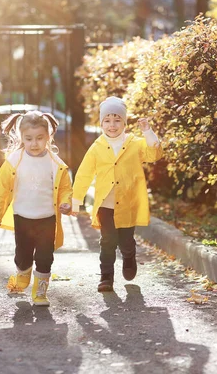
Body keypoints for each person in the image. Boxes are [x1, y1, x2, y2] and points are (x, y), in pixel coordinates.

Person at [0, 110, 73, 306]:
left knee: (45, 257)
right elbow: (0, 191)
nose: (34, 143)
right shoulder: (14, 161)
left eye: (39, 138)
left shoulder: (56, 164)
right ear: (21, 137)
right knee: (23, 255)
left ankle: (40, 293)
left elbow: (65, 188)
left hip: (47, 218)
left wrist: (67, 202)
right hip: (23, 217)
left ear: (48, 136)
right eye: (28, 139)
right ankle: (23, 272)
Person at [71, 96, 163, 292]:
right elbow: (84, 174)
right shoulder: (96, 147)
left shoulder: (135, 143)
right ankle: (106, 278)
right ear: (101, 122)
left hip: (128, 203)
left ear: (124, 122)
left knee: (126, 241)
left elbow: (154, 153)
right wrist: (75, 202)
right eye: (107, 120)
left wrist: (147, 131)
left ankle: (129, 258)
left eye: (117, 120)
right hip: (105, 204)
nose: (112, 125)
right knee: (107, 241)